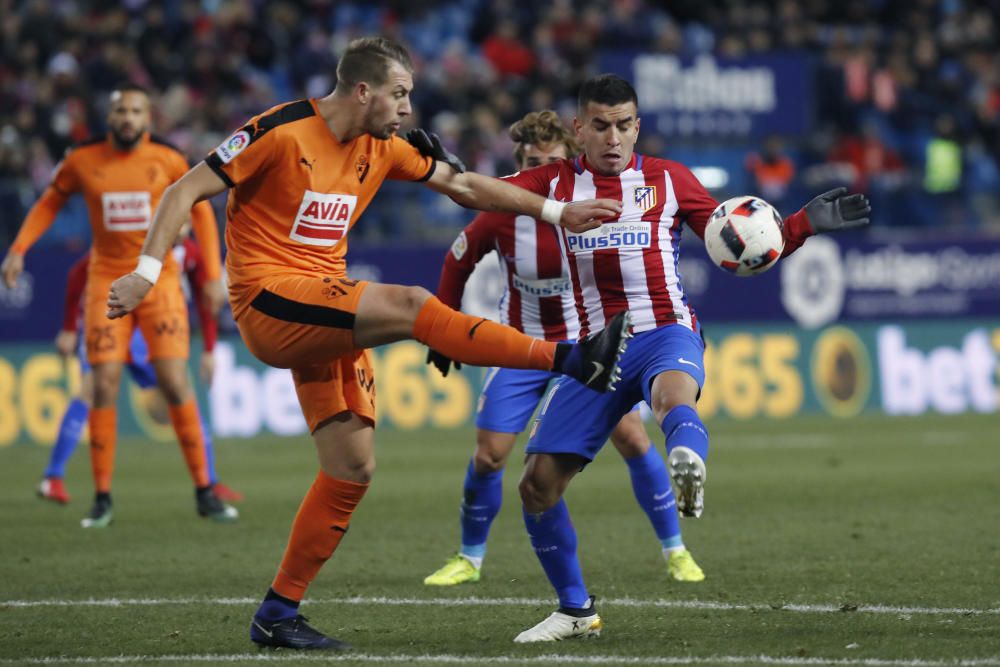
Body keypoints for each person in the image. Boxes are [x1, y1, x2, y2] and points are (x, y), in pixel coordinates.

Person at [103, 37, 631, 651]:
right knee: (409, 304)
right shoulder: (278, 131)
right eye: (400, 94)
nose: (409, 108)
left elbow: (465, 188)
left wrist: (554, 211)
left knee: (352, 467)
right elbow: (181, 191)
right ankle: (570, 357)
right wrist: (145, 271)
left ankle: (278, 614)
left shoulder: (383, 146)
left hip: (323, 308)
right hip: (269, 300)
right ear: (363, 91)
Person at [455, 74, 868, 642]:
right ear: (579, 129)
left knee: (673, 395)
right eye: (600, 125)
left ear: (637, 126)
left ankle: (687, 462)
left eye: (624, 125)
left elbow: (732, 247)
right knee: (537, 485)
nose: (613, 137)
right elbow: (478, 192)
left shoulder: (669, 180)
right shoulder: (549, 182)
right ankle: (576, 612)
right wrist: (434, 170)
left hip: (664, 328)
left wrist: (797, 227)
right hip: (595, 353)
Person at [422, 110, 703, 588]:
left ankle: (676, 550)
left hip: (583, 347)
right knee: (489, 456)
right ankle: (469, 558)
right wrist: (443, 327)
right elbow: (456, 262)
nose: (539, 169)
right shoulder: (501, 217)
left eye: (549, 160)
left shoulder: (597, 208)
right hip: (520, 347)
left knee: (634, 439)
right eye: (532, 161)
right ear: (520, 166)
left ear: (566, 161)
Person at [0, 84, 237, 527]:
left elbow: (202, 211)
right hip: (107, 280)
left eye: (135, 111)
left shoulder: (167, 160)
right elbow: (50, 201)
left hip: (159, 281)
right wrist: (18, 248)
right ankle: (103, 497)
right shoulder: (82, 161)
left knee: (173, 382)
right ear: (109, 118)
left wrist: (210, 276)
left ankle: (205, 489)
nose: (128, 118)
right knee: (103, 383)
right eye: (121, 111)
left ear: (148, 118)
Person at [37, 245, 242, 506]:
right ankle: (53, 477)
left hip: (150, 331)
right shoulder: (138, 240)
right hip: (111, 321)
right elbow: (79, 273)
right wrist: (68, 327)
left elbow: (206, 298)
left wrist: (209, 349)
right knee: (91, 389)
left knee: (180, 390)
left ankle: (209, 481)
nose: (183, 225)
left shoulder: (191, 253)